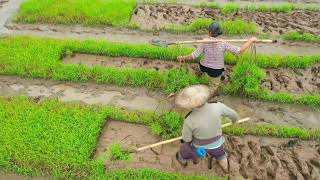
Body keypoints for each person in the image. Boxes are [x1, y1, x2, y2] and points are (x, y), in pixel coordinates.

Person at [177, 23, 257, 95]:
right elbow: (240, 50)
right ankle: (208, 95)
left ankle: (202, 73)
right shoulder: (223, 43)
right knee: (213, 87)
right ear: (218, 34)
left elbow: (194, 55)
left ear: (210, 33)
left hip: (203, 66)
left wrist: (182, 57)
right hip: (216, 70)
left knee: (203, 67)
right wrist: (250, 40)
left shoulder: (205, 42)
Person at [174, 85, 239, 172]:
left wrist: (188, 141)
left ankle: (183, 159)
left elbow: (187, 138)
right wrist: (234, 121)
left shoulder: (189, 119)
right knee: (221, 155)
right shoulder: (218, 106)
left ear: (189, 105)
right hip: (217, 143)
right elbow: (234, 115)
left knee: (186, 149)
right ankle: (225, 168)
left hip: (199, 146)